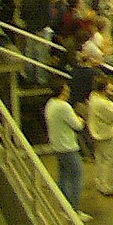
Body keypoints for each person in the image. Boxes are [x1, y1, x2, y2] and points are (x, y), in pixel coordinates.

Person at [45, 81, 86, 216]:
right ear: (63, 91)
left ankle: (64, 206)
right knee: (77, 176)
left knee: (63, 176)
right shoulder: (64, 106)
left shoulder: (50, 104)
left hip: (57, 146)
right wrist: (80, 120)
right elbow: (77, 125)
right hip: (68, 147)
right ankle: (74, 209)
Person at [88, 78, 113, 196]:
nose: (112, 88)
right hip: (105, 135)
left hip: (98, 134)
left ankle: (101, 183)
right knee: (110, 161)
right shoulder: (103, 103)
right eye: (109, 86)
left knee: (101, 159)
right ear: (104, 89)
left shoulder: (93, 96)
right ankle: (107, 186)